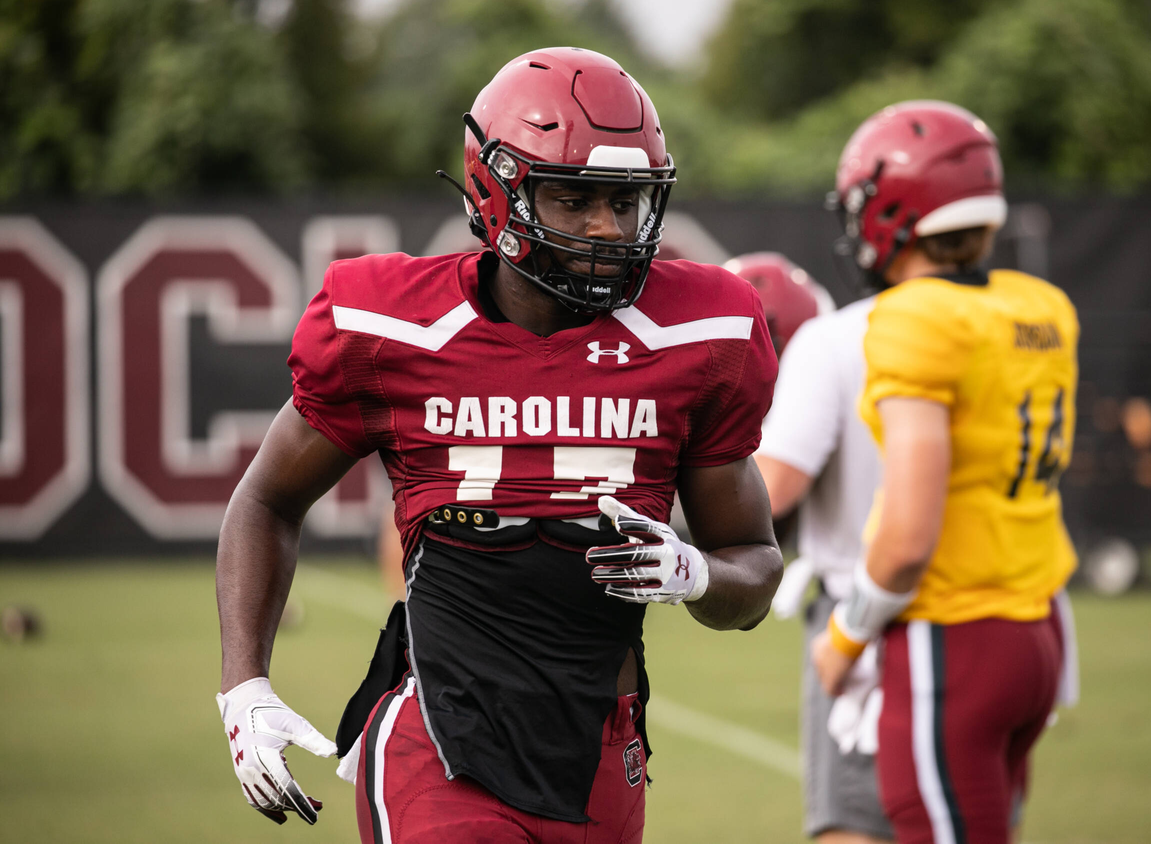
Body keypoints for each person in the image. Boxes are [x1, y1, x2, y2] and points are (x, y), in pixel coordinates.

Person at [214, 47, 783, 844]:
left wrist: (694, 573)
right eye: (574, 199)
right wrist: (245, 685)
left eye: (626, 202)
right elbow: (267, 498)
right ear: (496, 190)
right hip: (442, 742)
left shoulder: (700, 335)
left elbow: (754, 568)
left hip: (604, 750)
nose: (606, 228)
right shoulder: (391, 327)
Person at [810, 101, 1079, 844]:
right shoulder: (1042, 306)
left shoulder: (913, 318)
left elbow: (906, 537)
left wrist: (843, 637)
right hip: (1040, 630)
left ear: (893, 209)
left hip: (955, 637)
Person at [751, 252, 894, 844]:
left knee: (851, 824)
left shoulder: (829, 345)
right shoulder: (996, 319)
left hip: (872, 615)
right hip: (991, 615)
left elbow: (773, 488)